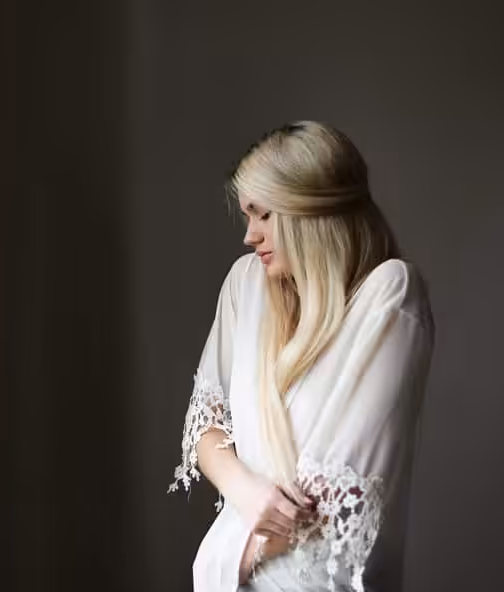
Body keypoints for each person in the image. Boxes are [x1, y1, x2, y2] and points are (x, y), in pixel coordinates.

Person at [168, 121, 435, 592]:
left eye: (263, 214)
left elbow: (334, 500)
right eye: (247, 215)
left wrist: (223, 557)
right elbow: (206, 425)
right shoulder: (244, 286)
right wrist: (249, 494)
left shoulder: (390, 296)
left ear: (311, 212)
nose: (250, 235)